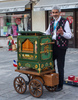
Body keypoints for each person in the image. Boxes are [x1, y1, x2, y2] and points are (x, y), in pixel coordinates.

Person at [45, 6, 72, 91]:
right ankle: (52, 82)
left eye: (56, 12)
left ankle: (60, 85)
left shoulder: (65, 21)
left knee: (60, 66)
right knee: (51, 65)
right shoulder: (52, 22)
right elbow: (47, 32)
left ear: (59, 13)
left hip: (61, 47)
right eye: (53, 12)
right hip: (52, 45)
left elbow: (69, 35)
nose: (54, 14)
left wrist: (62, 33)